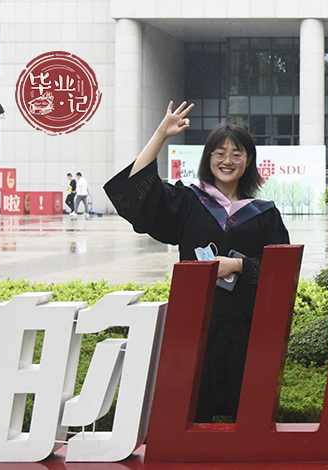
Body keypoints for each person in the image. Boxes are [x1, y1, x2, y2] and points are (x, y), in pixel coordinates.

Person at [103, 101, 290, 423]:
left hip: (247, 329)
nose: (227, 160)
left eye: (236, 154)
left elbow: (283, 270)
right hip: (195, 324)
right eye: (220, 153)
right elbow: (135, 194)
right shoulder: (189, 201)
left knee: (247, 413)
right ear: (208, 158)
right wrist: (161, 135)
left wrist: (239, 266)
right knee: (191, 411)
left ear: (248, 161)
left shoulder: (265, 214)